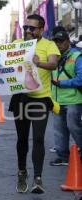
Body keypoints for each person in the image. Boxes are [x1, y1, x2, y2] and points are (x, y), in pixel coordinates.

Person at [7, 14, 60, 194]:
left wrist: (40, 62)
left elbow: (53, 64)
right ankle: (22, 172)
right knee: (22, 139)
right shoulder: (16, 44)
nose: (28, 31)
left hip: (41, 99)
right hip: (21, 98)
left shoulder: (49, 44)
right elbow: (3, 65)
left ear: (41, 29)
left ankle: (38, 178)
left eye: (32, 28)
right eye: (25, 28)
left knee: (38, 138)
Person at [50, 29, 82, 166]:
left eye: (61, 41)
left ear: (68, 42)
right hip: (57, 100)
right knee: (59, 129)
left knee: (73, 126)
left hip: (74, 99)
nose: (58, 44)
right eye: (56, 42)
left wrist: (62, 83)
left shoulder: (77, 56)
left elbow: (81, 79)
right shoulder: (52, 57)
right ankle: (62, 156)